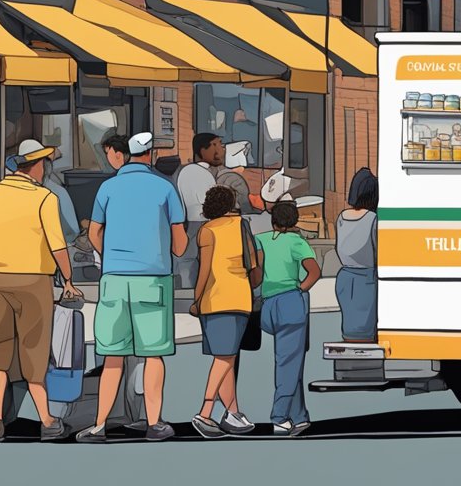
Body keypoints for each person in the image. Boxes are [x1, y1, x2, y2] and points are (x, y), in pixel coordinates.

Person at [76, 132, 187, 443]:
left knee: (113, 356)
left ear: (124, 155)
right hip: (152, 279)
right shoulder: (164, 188)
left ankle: (99, 425)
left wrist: (109, 253)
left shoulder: (108, 187)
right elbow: (180, 244)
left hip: (114, 279)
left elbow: (95, 231)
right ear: (150, 154)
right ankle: (154, 423)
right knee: (153, 355)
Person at [0, 143, 82, 442]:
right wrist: (68, 279)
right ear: (37, 166)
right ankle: (46, 419)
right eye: (45, 163)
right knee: (35, 350)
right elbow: (58, 244)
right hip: (34, 281)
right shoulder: (44, 197)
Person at [189, 185, 261, 438]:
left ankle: (233, 412)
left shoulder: (206, 231)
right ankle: (205, 412)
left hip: (210, 300)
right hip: (236, 298)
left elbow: (204, 270)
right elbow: (253, 264)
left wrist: (196, 299)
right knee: (225, 359)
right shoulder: (242, 225)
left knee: (226, 358)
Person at [256, 200, 321, 436]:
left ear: (273, 219)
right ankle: (280, 416)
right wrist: (301, 289)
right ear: (294, 220)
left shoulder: (260, 239)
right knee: (289, 364)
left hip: (268, 304)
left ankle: (299, 415)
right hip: (290, 302)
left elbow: (257, 269)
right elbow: (315, 272)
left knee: (291, 363)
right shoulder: (297, 242)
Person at [174, 132, 224, 288]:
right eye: (216, 145)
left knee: (188, 262)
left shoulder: (186, 171)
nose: (221, 151)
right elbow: (208, 205)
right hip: (201, 223)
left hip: (190, 224)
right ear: (203, 150)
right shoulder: (201, 174)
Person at [336, 168, 379, 342]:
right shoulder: (373, 219)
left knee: (350, 329)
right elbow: (377, 250)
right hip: (367, 278)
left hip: (345, 276)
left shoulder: (342, 216)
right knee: (366, 331)